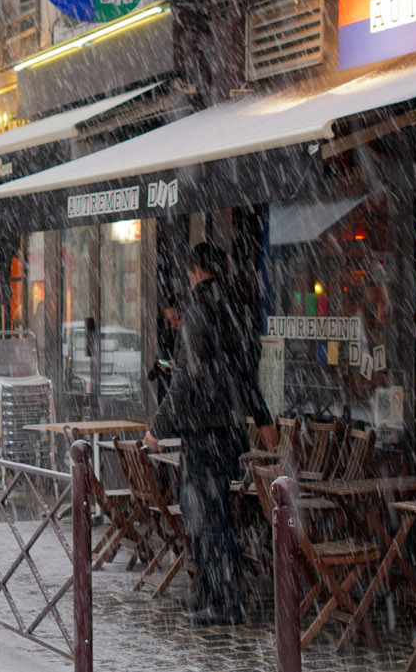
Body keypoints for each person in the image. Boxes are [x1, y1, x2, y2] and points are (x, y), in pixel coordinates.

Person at [144, 242, 275, 625]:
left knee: (205, 517)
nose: (189, 280)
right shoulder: (240, 309)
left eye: (189, 275)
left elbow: (184, 380)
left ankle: (223, 599)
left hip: (203, 431)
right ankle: (210, 592)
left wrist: (157, 428)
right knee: (214, 514)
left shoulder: (198, 312)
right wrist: (262, 418)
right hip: (230, 429)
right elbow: (249, 373)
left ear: (198, 271)